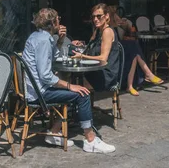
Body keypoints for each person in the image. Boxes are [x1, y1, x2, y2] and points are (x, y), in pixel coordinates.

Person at [22, 8, 115, 154]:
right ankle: (90, 140)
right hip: (39, 92)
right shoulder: (43, 41)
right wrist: (70, 86)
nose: (60, 20)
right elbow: (46, 76)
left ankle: (54, 132)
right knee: (82, 94)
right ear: (53, 22)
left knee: (75, 91)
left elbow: (52, 59)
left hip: (36, 88)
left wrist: (59, 41)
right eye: (58, 18)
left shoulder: (39, 37)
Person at [101, 0, 163, 96]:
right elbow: (108, 28)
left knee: (133, 50)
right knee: (133, 47)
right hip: (110, 46)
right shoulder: (103, 16)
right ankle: (147, 74)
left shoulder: (114, 15)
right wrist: (118, 24)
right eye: (112, 7)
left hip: (117, 44)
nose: (114, 9)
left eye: (115, 7)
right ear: (107, 7)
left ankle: (131, 85)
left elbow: (124, 29)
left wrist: (125, 24)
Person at [72, 4, 121, 93]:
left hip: (106, 75)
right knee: (73, 77)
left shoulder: (107, 31)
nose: (95, 19)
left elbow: (103, 58)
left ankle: (80, 105)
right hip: (96, 70)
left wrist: (82, 56)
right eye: (93, 17)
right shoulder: (98, 31)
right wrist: (81, 46)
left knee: (74, 82)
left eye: (99, 16)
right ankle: (81, 105)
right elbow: (93, 49)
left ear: (106, 16)